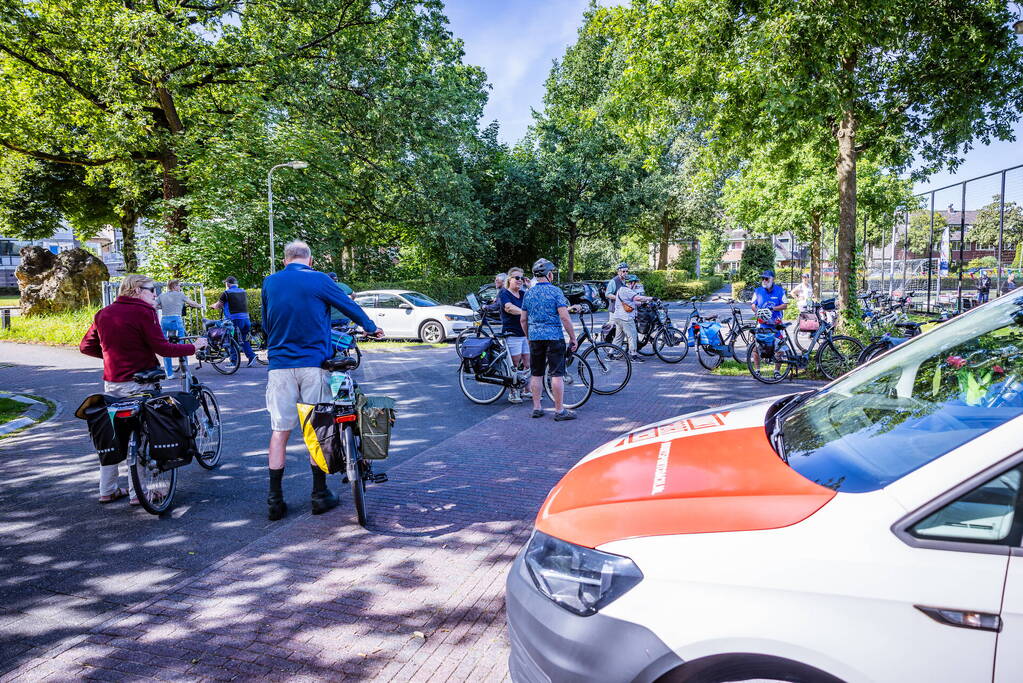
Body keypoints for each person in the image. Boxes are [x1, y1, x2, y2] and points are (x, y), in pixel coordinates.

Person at [260, 241, 384, 521]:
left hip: (279, 366)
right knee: (317, 429)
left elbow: (267, 324)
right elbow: (348, 306)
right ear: (310, 260)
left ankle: (274, 501)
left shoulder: (270, 282)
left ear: (285, 260)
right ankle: (319, 494)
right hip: (313, 364)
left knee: (280, 430)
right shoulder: (320, 279)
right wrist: (371, 328)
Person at [79, 274, 207, 505]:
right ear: (136, 290)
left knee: (113, 435)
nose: (155, 295)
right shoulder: (143, 312)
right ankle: (139, 493)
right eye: (151, 290)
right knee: (142, 432)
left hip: (112, 384)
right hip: (141, 383)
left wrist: (110, 357)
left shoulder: (103, 313)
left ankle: (107, 489)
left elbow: (86, 346)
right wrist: (193, 347)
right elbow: (163, 348)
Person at [520, 259, 578, 421]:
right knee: (556, 374)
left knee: (536, 373)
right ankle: (559, 411)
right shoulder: (555, 292)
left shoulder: (529, 293)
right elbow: (565, 317)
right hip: (554, 337)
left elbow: (523, 320)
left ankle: (537, 408)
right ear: (550, 275)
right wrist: (573, 338)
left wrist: (528, 337)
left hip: (535, 338)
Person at [157, 279, 202, 379]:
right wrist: (200, 305)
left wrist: (164, 307)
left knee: (166, 346)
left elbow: (155, 305)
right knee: (181, 345)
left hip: (164, 321)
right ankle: (185, 372)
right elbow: (191, 303)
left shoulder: (162, 296)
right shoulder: (180, 295)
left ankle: (169, 373)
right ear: (174, 286)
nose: (180, 287)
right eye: (179, 286)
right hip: (176, 321)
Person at [497, 267, 530, 403]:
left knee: (528, 363)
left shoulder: (523, 294)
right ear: (509, 279)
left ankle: (525, 389)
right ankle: (512, 392)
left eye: (521, 278)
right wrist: (525, 312)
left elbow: (533, 304)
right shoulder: (504, 293)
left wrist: (530, 287)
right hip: (512, 333)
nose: (520, 281)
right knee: (515, 364)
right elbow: (509, 308)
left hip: (525, 333)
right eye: (517, 278)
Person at [750, 270, 788, 378]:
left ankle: (777, 371)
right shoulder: (758, 291)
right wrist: (756, 311)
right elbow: (753, 304)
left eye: (766, 278)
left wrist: (773, 308)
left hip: (776, 325)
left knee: (780, 349)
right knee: (755, 347)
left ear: (772, 279)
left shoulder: (780, 291)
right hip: (762, 325)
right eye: (763, 278)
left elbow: (785, 305)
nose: (764, 281)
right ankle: (757, 370)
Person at [213, 276, 257, 368]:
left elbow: (218, 305)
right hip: (246, 319)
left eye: (226, 283)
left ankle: (233, 362)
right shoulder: (243, 291)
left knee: (230, 339)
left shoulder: (226, 293)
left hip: (234, 320)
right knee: (244, 339)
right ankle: (251, 356)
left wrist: (213, 306)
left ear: (228, 284)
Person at [611, 274, 654, 362]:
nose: (636, 285)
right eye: (635, 283)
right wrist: (652, 298)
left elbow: (632, 301)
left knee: (619, 337)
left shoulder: (621, 290)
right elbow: (637, 298)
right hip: (625, 318)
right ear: (631, 283)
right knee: (632, 335)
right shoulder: (627, 290)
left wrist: (643, 304)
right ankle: (633, 356)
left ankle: (610, 354)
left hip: (618, 317)